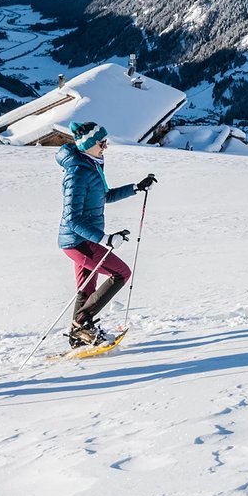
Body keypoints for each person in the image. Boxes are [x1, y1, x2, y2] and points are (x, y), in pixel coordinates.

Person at [58, 121, 155, 347]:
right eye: (102, 143)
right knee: (121, 273)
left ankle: (78, 338)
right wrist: (105, 239)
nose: (105, 147)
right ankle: (82, 324)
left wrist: (135, 188)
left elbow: (105, 196)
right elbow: (72, 218)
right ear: (89, 144)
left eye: (106, 142)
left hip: (83, 239)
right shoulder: (77, 173)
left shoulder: (92, 165)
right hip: (78, 241)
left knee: (87, 287)